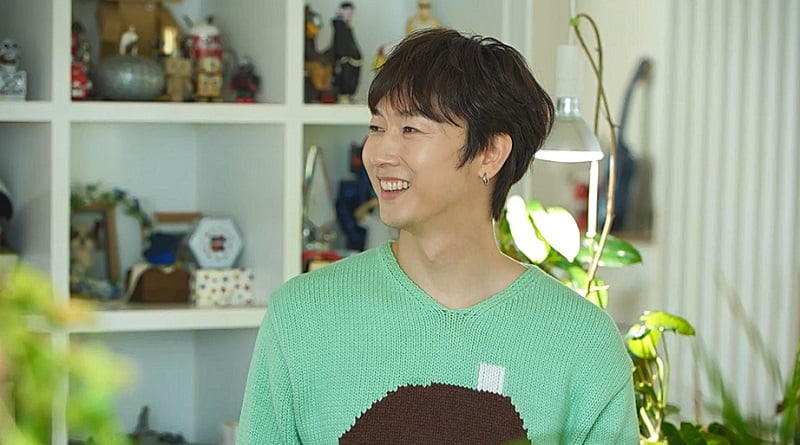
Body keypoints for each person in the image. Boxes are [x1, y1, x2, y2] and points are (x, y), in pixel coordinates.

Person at [237, 28, 638, 444]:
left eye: (410, 129)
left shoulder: (581, 342)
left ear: (490, 153)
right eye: (377, 127)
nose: (379, 154)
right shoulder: (302, 317)